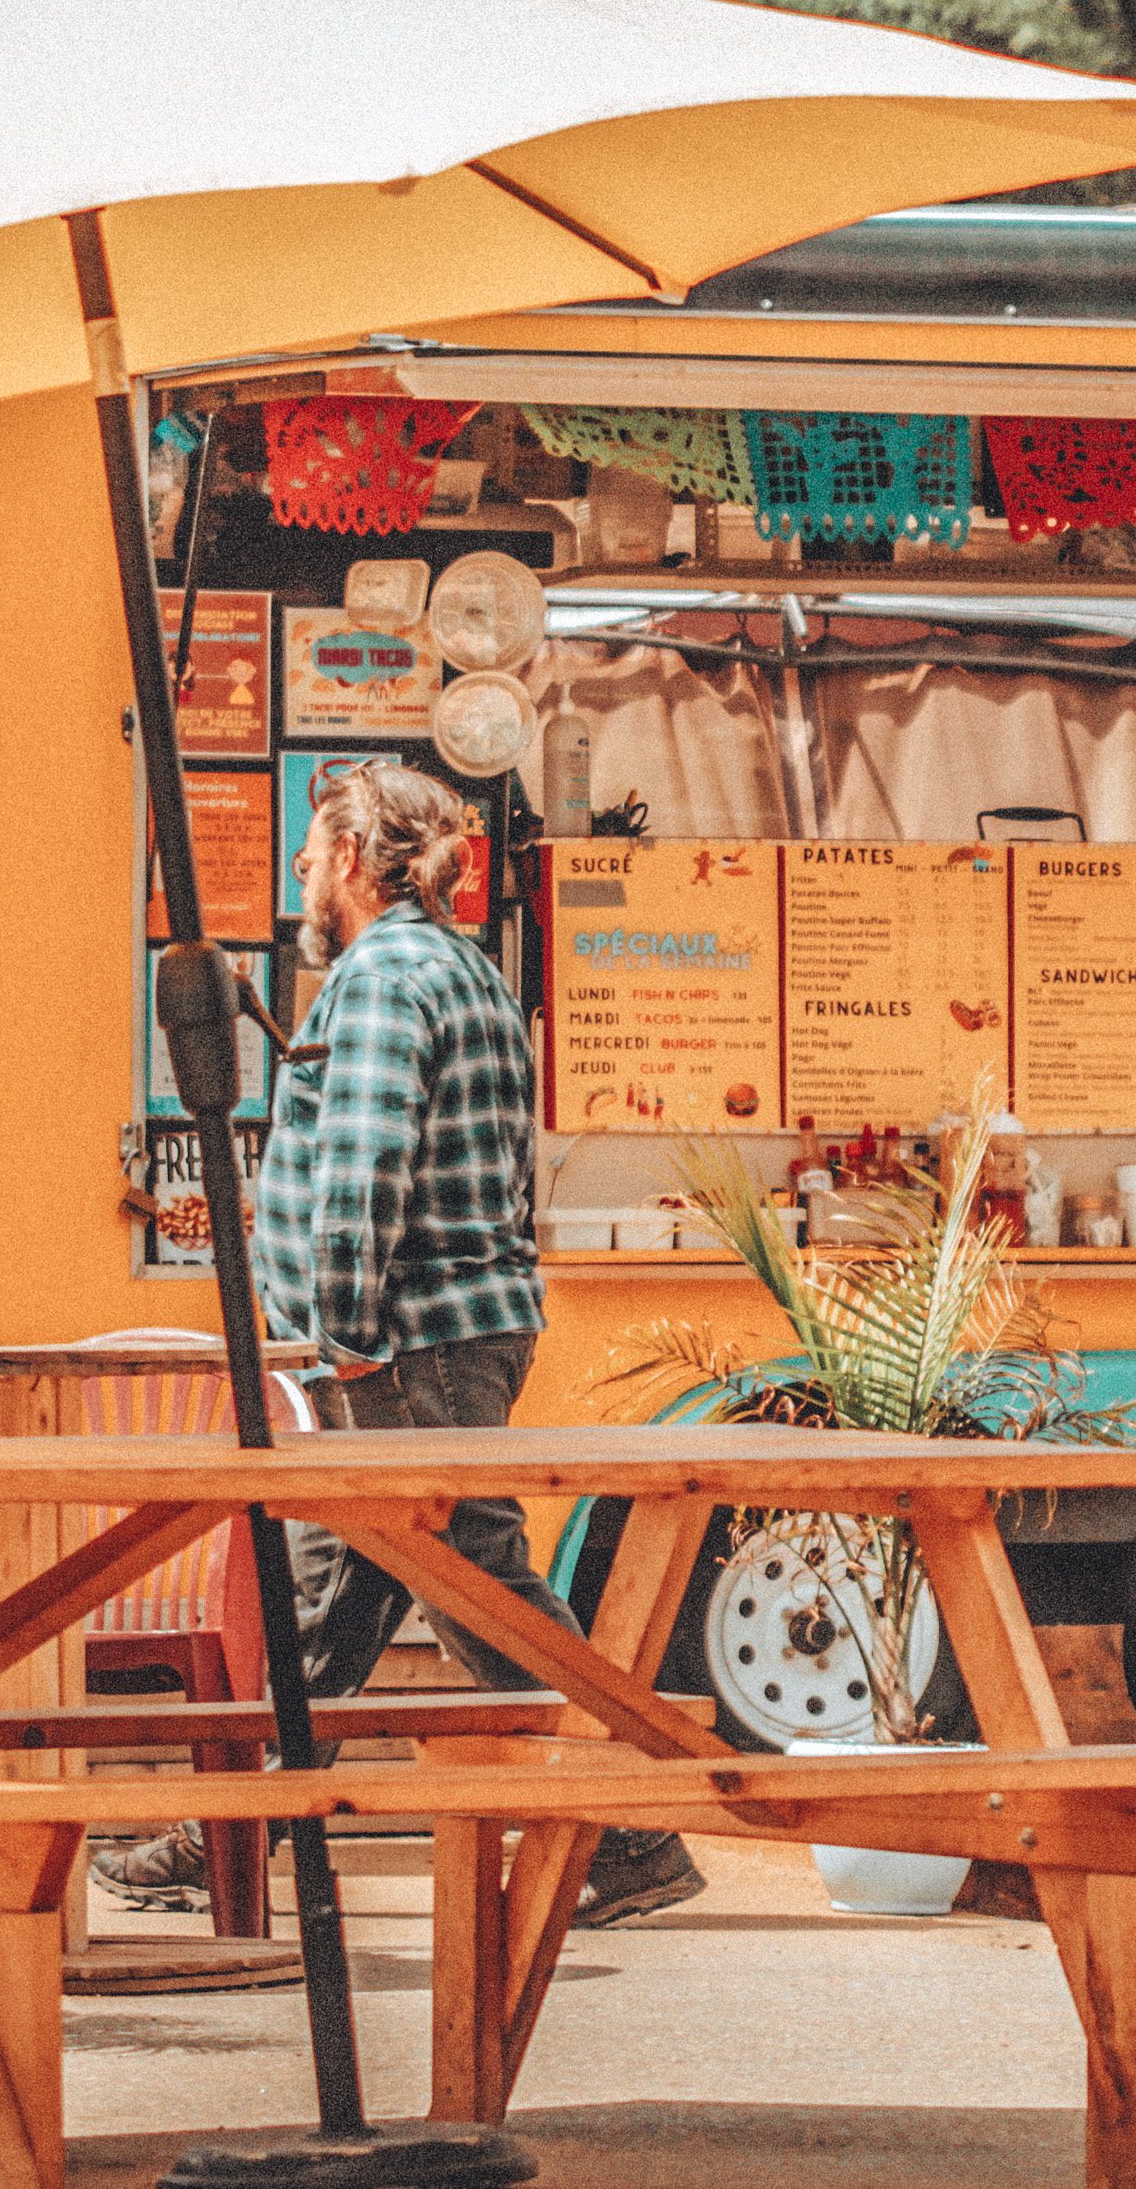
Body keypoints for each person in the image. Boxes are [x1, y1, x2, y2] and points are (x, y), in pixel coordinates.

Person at [93, 761, 705, 1928]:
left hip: (410, 1342)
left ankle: (630, 1829)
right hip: (445, 1333)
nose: (297, 873)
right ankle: (229, 1829)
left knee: (478, 1587)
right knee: (337, 1591)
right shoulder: (460, 969)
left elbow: (365, 1166)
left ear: (362, 862)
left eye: (314, 853)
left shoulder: (379, 982)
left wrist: (349, 1335)